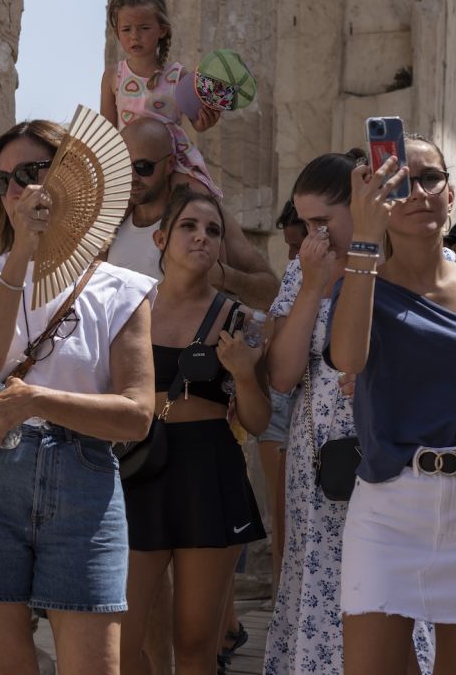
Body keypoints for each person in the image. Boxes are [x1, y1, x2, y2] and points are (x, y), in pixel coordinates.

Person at [0, 119, 156, 675]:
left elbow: (136, 416)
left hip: (83, 477)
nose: (17, 190)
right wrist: (23, 252)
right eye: (2, 181)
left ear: (72, 179)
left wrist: (35, 399)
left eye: (32, 172)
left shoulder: (122, 289)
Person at [329, 136, 456, 675]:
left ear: (451, 194)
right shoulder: (362, 281)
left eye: (429, 178)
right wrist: (364, 240)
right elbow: (347, 356)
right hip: (389, 503)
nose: (417, 192)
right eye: (399, 181)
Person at [261, 150, 433, 675]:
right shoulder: (300, 275)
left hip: (392, 454)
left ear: (360, 208)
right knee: (323, 581)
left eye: (322, 221)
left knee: (392, 590)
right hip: (319, 467)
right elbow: (283, 376)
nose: (313, 234)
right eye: (304, 223)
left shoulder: (400, 266)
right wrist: (314, 286)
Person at [119, 189, 270, 675]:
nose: (201, 237)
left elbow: (259, 420)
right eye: (189, 226)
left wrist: (244, 374)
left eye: (213, 230)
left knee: (195, 644)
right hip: (138, 470)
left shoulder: (238, 319)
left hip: (209, 472)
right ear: (161, 237)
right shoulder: (125, 307)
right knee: (120, 639)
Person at [106, 118, 278, 308]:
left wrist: (223, 276)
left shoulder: (206, 220)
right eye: (122, 166)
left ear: (170, 164)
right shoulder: (110, 226)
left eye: (143, 167)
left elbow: (271, 292)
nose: (132, 177)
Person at [99, 0, 221, 196]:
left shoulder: (179, 76)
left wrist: (205, 120)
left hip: (172, 159)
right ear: (117, 33)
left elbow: (197, 124)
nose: (135, 36)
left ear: (162, 30)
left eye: (144, 28)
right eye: (127, 29)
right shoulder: (112, 76)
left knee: (200, 200)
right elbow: (108, 130)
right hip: (130, 163)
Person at [255, 199, 306, 599]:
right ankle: (282, 608)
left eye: (295, 244)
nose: (289, 256)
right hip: (282, 406)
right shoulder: (294, 275)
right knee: (284, 517)